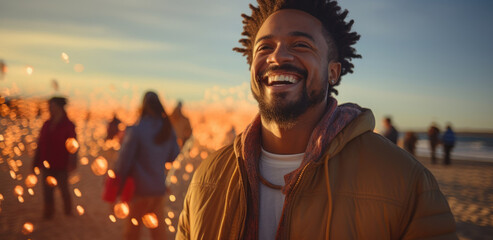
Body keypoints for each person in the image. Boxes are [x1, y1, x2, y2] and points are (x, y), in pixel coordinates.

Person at [176, 1, 456, 239]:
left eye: (300, 44)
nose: (278, 56)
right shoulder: (208, 176)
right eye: (264, 48)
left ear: (333, 72)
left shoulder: (404, 179)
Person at [115, 91, 180, 240]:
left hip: (139, 190)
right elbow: (174, 156)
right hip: (158, 189)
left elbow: (124, 161)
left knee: (132, 233)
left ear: (143, 106)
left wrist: (118, 185)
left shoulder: (136, 130)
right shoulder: (168, 130)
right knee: (158, 234)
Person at [33, 97, 77, 219]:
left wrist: (72, 163)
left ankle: (68, 212)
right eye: (49, 106)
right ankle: (48, 213)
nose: (49, 109)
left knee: (64, 190)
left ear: (59, 107)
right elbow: (40, 144)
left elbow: (73, 146)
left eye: (51, 106)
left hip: (62, 164)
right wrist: (35, 162)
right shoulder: (47, 124)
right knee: (47, 191)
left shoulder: (69, 125)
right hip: (47, 163)